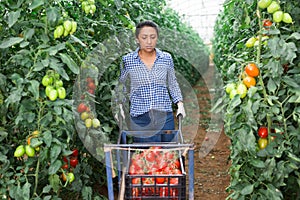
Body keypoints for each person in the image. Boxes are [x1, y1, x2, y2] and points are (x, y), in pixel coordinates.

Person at [117, 20, 186, 142]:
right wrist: (120, 105)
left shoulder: (166, 58)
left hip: (164, 115)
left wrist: (180, 104)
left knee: (168, 156)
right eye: (144, 37)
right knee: (144, 156)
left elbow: (172, 83)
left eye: (152, 37)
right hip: (140, 117)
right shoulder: (128, 60)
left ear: (157, 38)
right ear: (137, 39)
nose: (149, 42)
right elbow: (123, 86)